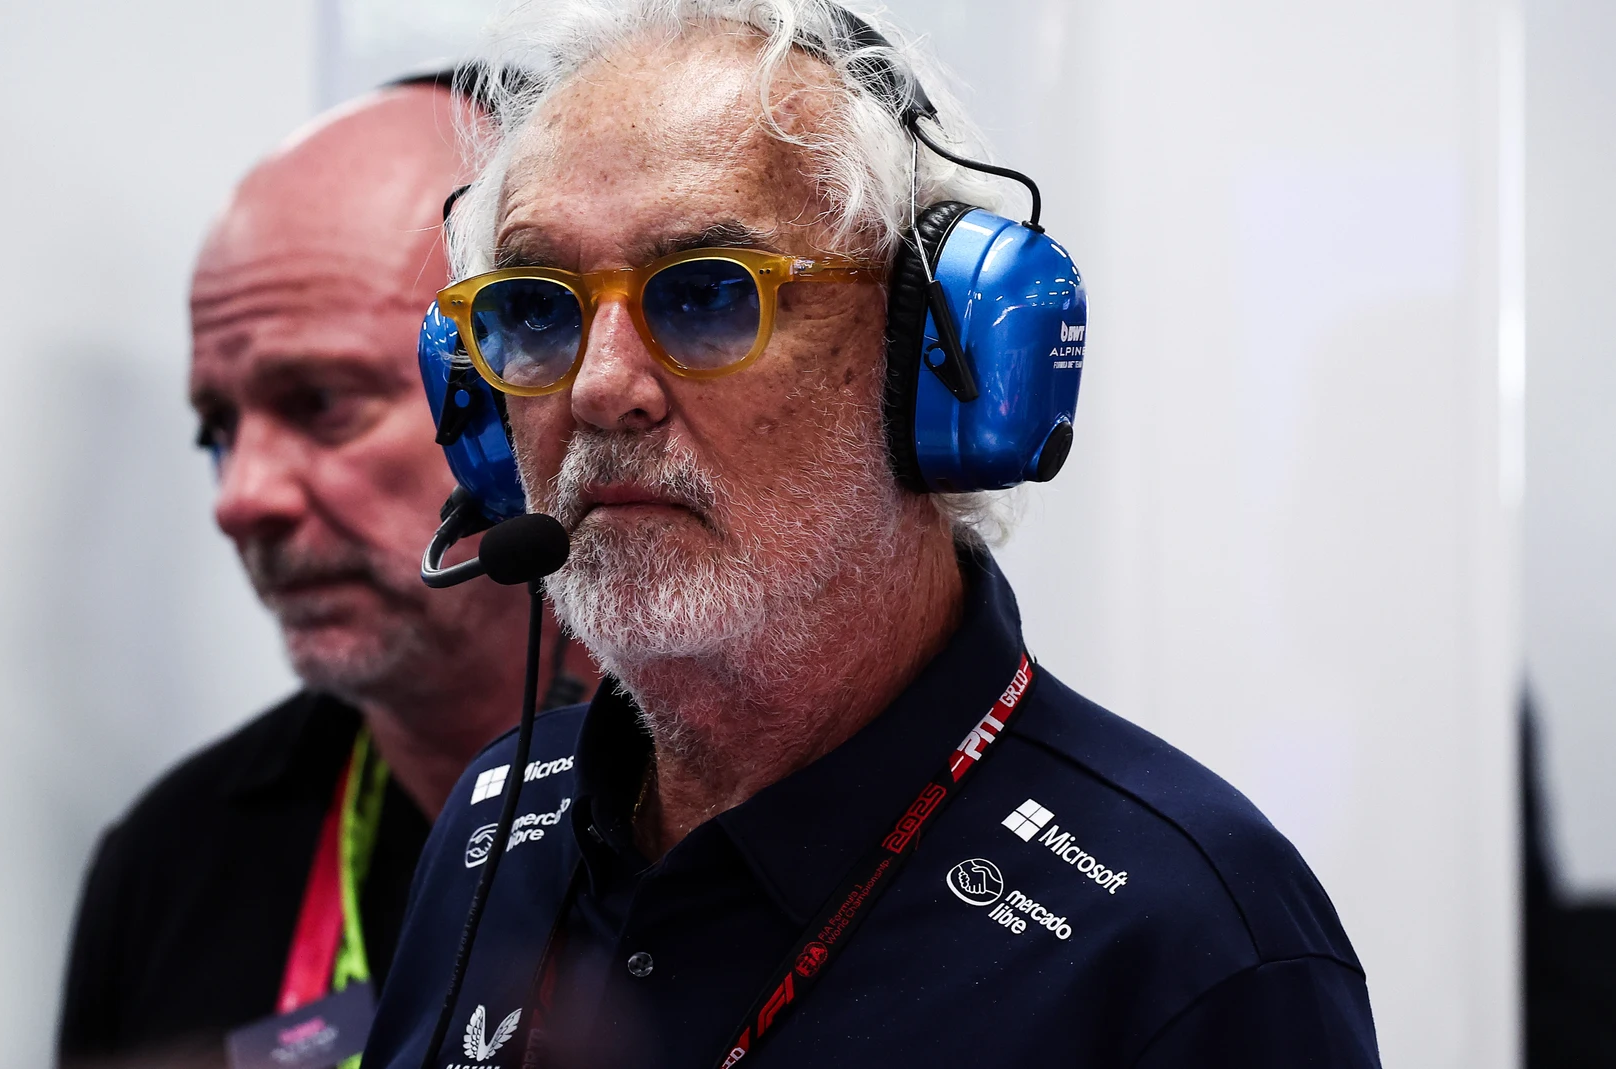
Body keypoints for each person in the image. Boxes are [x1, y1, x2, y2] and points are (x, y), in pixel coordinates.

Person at [361, 4, 1383, 1068]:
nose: (603, 385)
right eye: (537, 309)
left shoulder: (1186, 942)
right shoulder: (493, 825)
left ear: (932, 361)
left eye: (709, 295)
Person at [57, 78, 594, 1069]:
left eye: (319, 401)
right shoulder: (172, 862)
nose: (239, 496)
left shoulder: (743, 813)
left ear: (520, 394)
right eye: (217, 429)